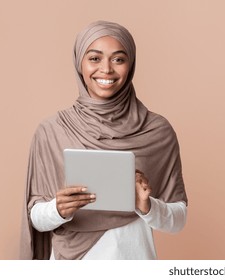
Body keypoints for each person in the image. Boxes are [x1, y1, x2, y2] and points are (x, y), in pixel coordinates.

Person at [19, 20, 188, 260]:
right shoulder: (51, 130)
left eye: (118, 59)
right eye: (95, 58)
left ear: (131, 65)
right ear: (80, 63)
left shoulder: (158, 131)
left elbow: (178, 220)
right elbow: (35, 218)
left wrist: (146, 205)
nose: (106, 69)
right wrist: (57, 210)